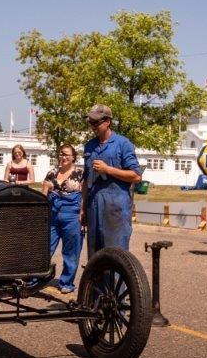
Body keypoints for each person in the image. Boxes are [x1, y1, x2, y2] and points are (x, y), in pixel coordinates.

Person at [81, 104, 142, 254]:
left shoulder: (123, 144)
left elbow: (136, 176)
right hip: (93, 206)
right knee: (95, 257)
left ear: (107, 121)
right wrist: (83, 208)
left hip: (116, 208)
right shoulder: (89, 146)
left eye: (96, 123)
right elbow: (86, 179)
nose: (92, 126)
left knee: (115, 255)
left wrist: (108, 169)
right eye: (90, 123)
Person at [43, 144, 84, 294]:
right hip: (53, 213)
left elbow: (84, 194)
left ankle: (66, 282)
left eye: (67, 154)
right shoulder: (52, 172)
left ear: (74, 157)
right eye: (61, 154)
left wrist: (83, 212)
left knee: (71, 251)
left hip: (72, 214)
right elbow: (44, 193)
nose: (63, 157)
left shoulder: (80, 173)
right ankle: (36, 278)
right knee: (44, 247)